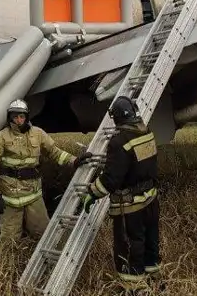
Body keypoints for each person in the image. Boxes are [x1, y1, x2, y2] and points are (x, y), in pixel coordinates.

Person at [0, 98, 92, 244]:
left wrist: (74, 161)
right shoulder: (0, 138)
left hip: (33, 195)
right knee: (8, 240)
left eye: (22, 116)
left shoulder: (38, 134)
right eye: (15, 116)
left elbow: (55, 153)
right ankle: (8, 265)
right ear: (10, 117)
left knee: (43, 234)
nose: (19, 120)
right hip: (10, 197)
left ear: (27, 116)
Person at [81, 95, 160, 294]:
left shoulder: (119, 142)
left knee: (130, 247)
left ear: (115, 118)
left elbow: (111, 180)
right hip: (150, 199)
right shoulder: (147, 132)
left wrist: (91, 192)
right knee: (150, 242)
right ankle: (156, 283)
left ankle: (134, 289)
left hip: (130, 207)